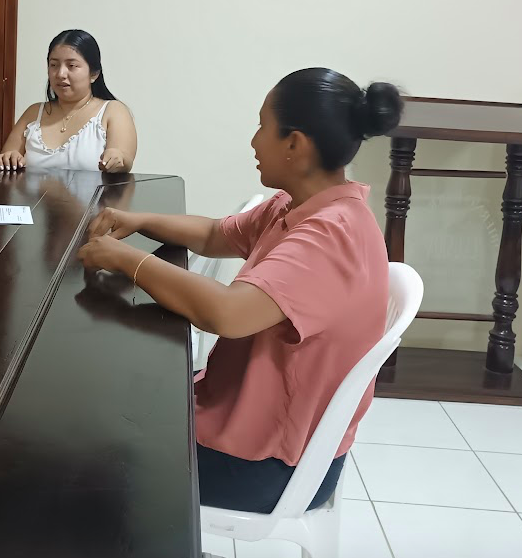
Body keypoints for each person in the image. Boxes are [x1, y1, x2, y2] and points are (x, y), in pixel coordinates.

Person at [78, 67, 405, 513]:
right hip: (241, 421)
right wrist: (138, 221)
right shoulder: (300, 205)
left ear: (295, 144)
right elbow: (216, 235)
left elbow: (228, 314)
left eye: (262, 127)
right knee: (104, 404)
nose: (253, 141)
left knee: (90, 455)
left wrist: (127, 260)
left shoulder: (331, 236)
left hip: (271, 465)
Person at [0, 29, 137, 172]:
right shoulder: (34, 113)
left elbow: (124, 159)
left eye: (72, 66)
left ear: (94, 74)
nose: (61, 74)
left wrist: (117, 157)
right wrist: (9, 157)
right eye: (54, 65)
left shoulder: (113, 111)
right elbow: (8, 156)